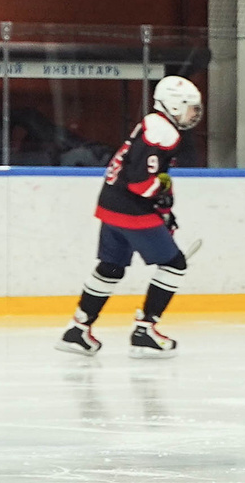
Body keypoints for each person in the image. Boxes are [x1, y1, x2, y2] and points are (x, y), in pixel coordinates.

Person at [58, 75, 202, 357]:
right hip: (133, 210)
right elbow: (141, 183)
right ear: (174, 105)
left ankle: (77, 330)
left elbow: (145, 174)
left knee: (111, 267)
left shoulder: (152, 122)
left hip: (112, 204)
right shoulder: (164, 133)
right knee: (175, 265)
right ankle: (145, 331)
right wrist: (161, 200)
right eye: (190, 108)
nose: (194, 114)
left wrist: (163, 207)